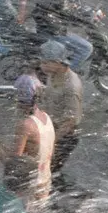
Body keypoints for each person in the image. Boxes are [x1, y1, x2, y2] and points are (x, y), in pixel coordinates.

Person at [39, 40, 83, 191]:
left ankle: (62, 195)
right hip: (52, 128)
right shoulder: (53, 74)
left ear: (59, 62)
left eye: (46, 62)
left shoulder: (71, 86)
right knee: (44, 169)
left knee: (48, 170)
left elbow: (71, 120)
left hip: (64, 136)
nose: (42, 66)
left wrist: (52, 141)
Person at [32, 0, 93, 73]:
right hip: (52, 30)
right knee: (86, 48)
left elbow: (56, 8)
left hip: (45, 26)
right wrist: (82, 16)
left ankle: (62, 66)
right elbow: (65, 12)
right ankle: (64, 75)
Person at [12, 74, 55, 199]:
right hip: (45, 182)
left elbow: (14, 163)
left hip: (30, 187)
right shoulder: (46, 117)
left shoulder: (26, 125)